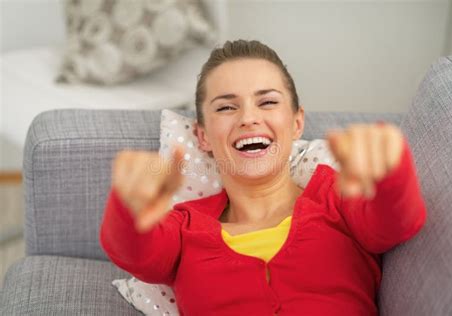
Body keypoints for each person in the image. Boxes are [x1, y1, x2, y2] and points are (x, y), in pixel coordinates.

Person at [100, 40, 427, 315]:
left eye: (267, 102)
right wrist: (129, 205)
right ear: (202, 136)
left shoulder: (336, 196)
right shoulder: (183, 227)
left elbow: (395, 222)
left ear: (297, 123)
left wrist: (391, 171)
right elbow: (134, 252)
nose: (249, 118)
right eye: (227, 108)